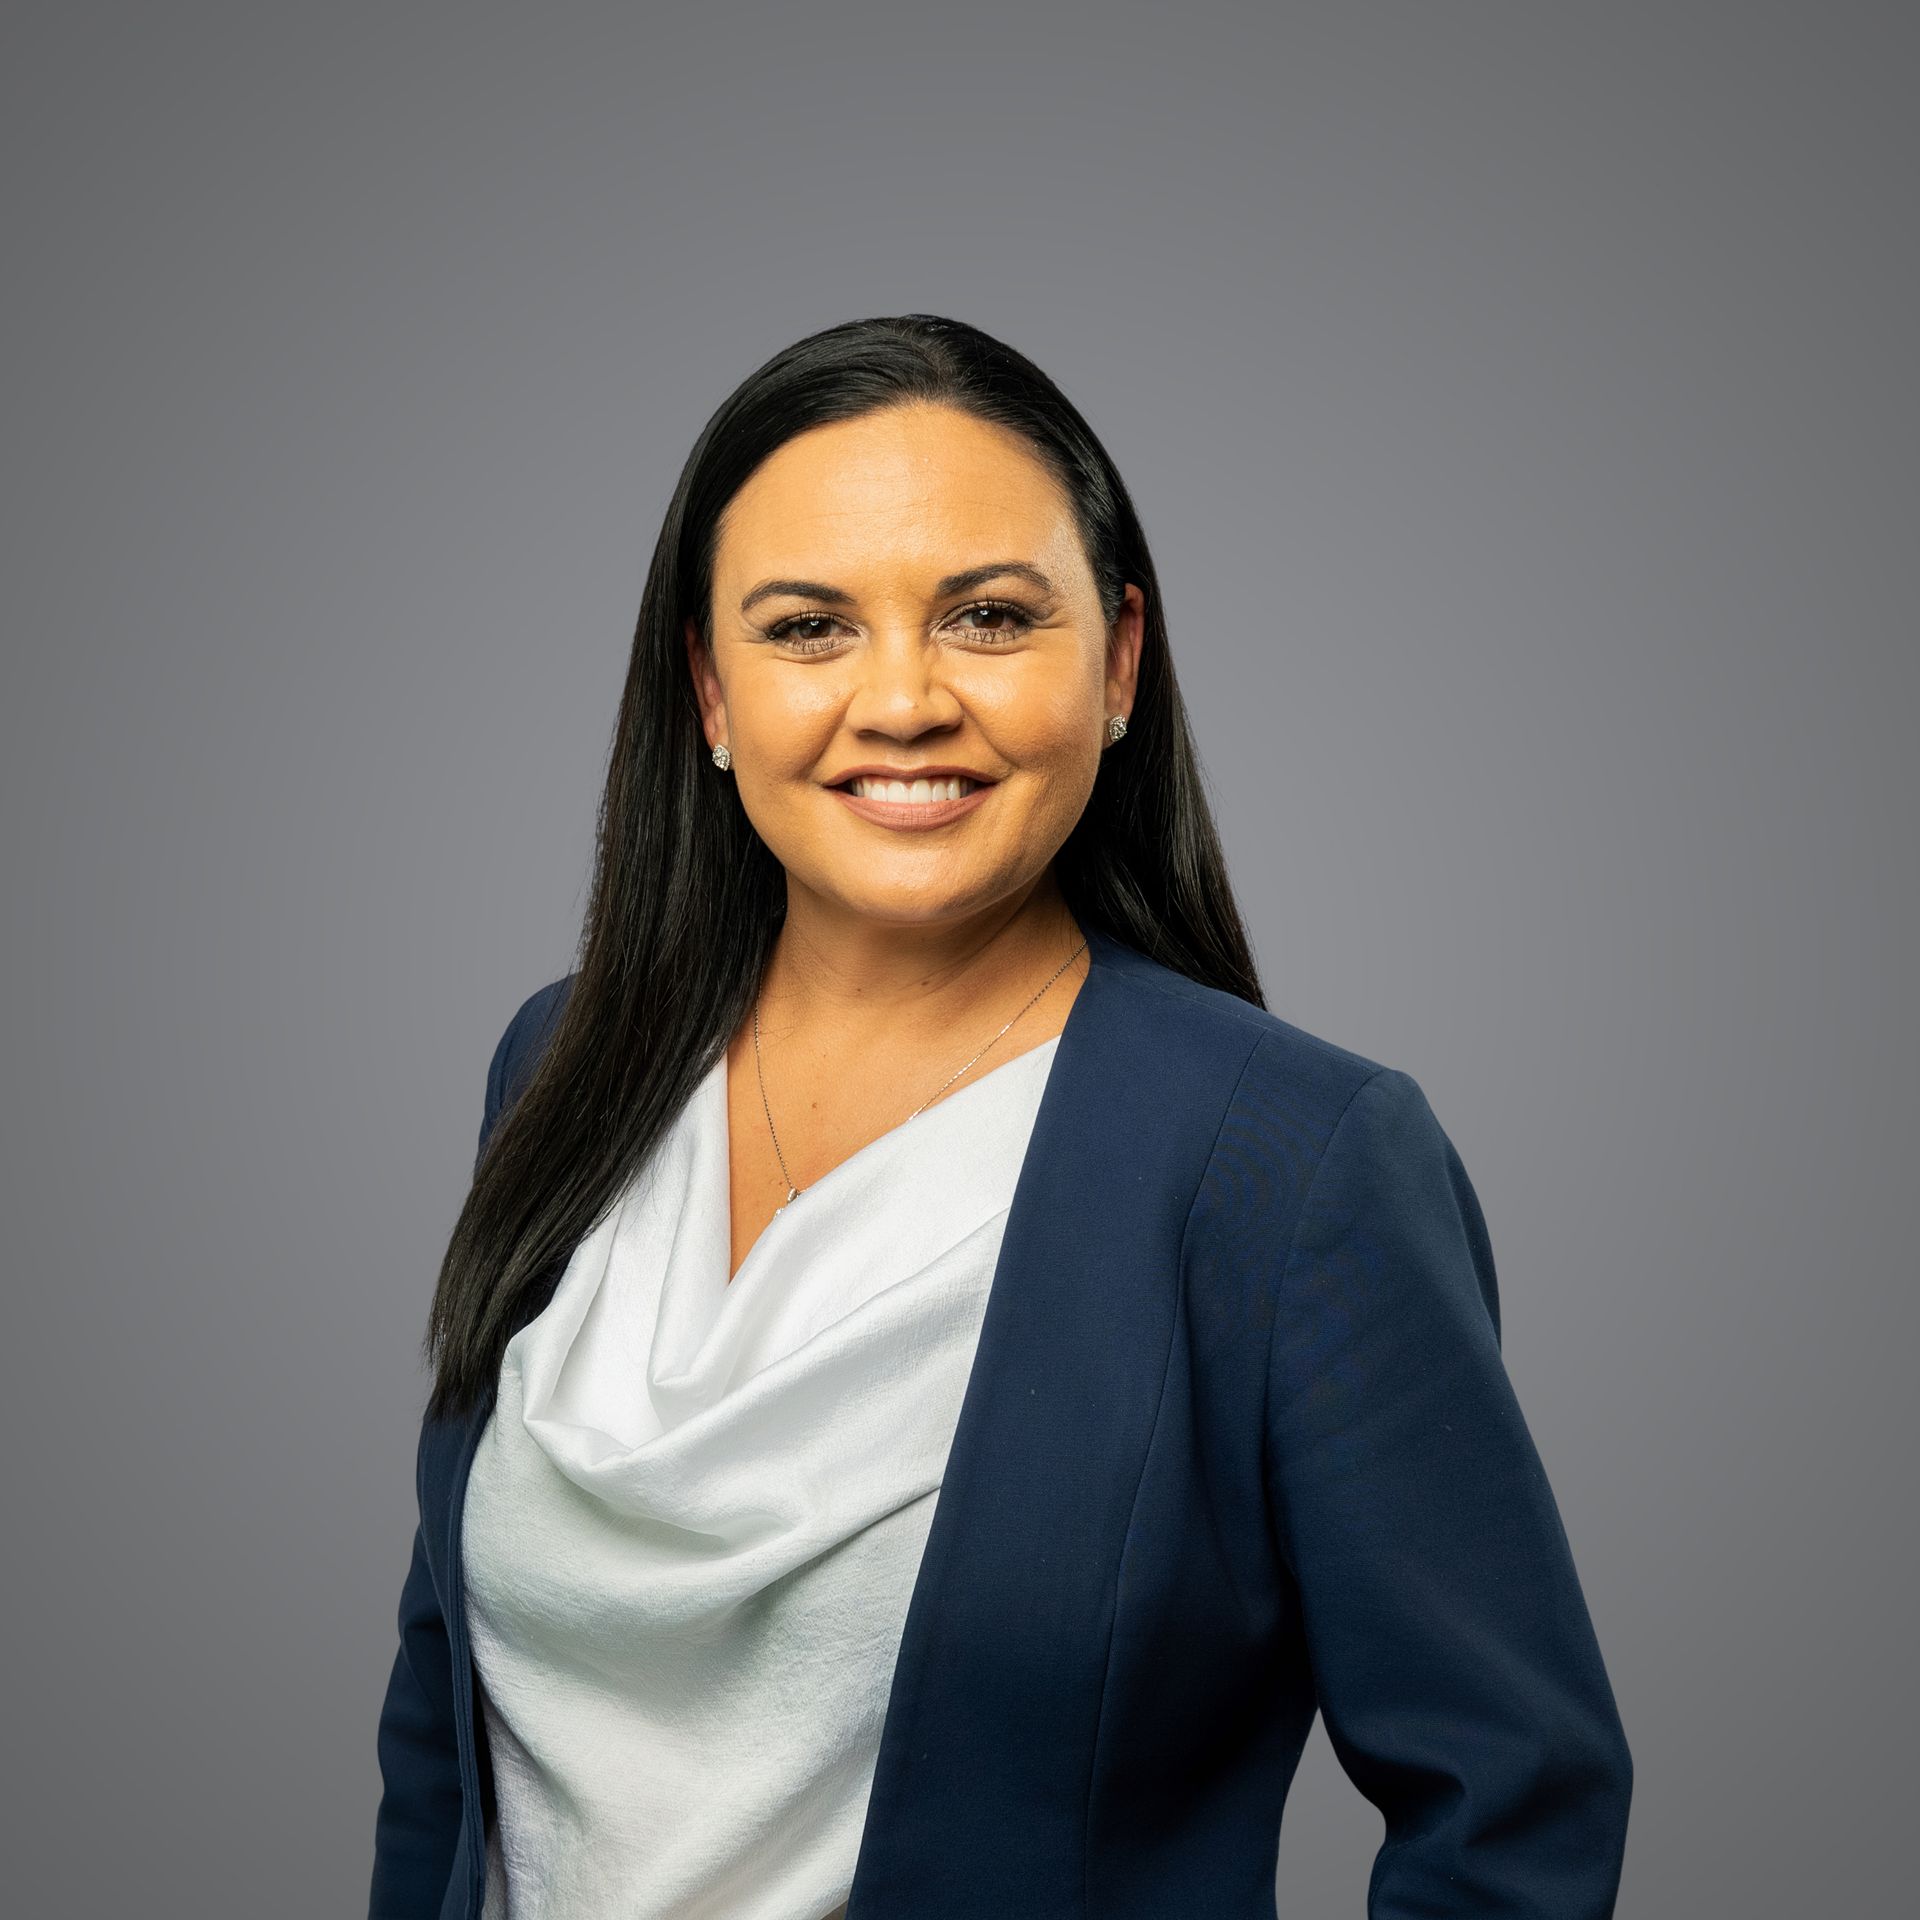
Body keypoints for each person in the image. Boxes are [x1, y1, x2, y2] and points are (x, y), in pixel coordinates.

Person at [368, 314, 1633, 1920]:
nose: (900, 702)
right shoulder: (562, 1070)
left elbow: (1514, 1801)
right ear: (709, 687)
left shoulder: (1290, 1169)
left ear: (1115, 664)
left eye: (985, 616)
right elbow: (444, 1712)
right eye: (809, 628)